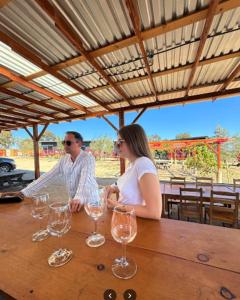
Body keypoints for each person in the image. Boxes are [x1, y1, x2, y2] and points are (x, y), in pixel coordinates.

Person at [18, 131, 98, 212]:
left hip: (90, 202)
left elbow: (84, 180)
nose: (65, 145)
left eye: (68, 143)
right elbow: (48, 176)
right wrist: (24, 192)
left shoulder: (88, 158)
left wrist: (78, 198)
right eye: (64, 142)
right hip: (74, 203)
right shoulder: (64, 159)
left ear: (79, 144)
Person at [105, 124, 162, 220]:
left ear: (132, 142)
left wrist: (118, 206)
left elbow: (154, 212)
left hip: (137, 226)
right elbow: (128, 184)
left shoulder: (143, 163)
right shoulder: (132, 165)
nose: (117, 146)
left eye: (120, 142)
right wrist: (112, 188)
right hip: (125, 221)